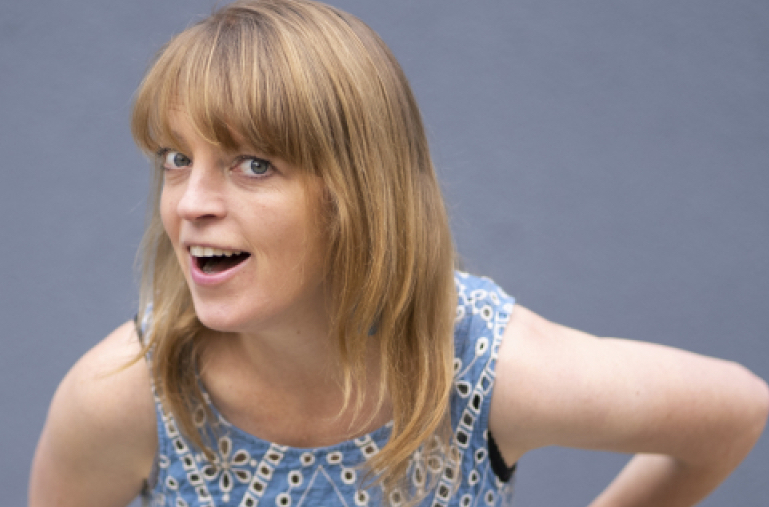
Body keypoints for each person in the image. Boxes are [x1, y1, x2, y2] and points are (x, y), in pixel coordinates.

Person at [28, 0, 769, 506]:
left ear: (358, 192)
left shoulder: (480, 371)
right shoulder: (127, 394)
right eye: (175, 157)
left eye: (254, 163)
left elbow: (734, 408)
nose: (191, 203)